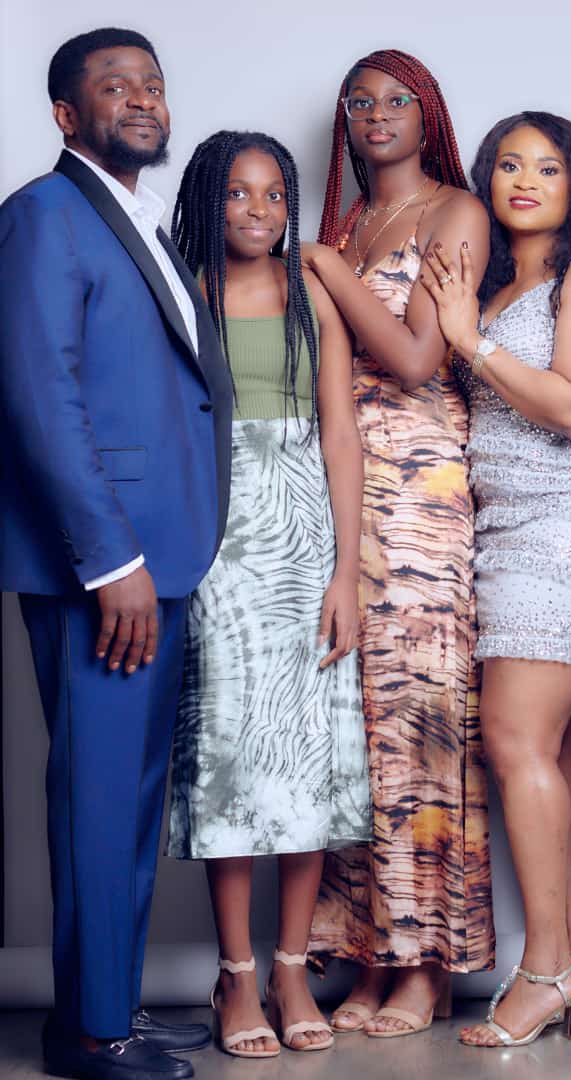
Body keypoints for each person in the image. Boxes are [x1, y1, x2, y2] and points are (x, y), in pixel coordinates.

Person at [0, 28, 232, 1080]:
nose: (141, 99)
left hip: (156, 558)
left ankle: (105, 1010)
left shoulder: (136, 219)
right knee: (98, 797)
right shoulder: (43, 217)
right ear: (65, 113)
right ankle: (96, 1037)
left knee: (129, 797)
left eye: (153, 84)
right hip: (104, 568)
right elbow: (38, 396)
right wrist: (109, 562)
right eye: (113, 86)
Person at [421, 110, 571, 1048]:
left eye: (547, 167)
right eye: (508, 165)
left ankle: (545, 970)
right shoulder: (498, 281)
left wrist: (471, 342)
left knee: (513, 737)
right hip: (499, 529)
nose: (524, 181)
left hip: (567, 523)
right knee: (561, 750)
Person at [299, 49, 493, 1036]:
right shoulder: (344, 225)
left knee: (422, 715)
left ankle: (429, 965)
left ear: (429, 115)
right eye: (359, 102)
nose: (375, 115)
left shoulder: (455, 212)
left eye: (396, 100)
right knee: (359, 728)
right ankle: (371, 954)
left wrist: (327, 269)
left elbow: (420, 357)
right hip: (342, 487)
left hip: (421, 489)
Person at [166, 131, 370, 1058]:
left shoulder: (311, 294)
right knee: (232, 758)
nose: (259, 211)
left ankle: (292, 969)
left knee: (306, 756)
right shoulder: (186, 292)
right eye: (239, 193)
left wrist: (345, 572)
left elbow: (340, 436)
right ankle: (236, 976)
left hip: (305, 536)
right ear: (208, 199)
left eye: (276, 194)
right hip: (215, 538)